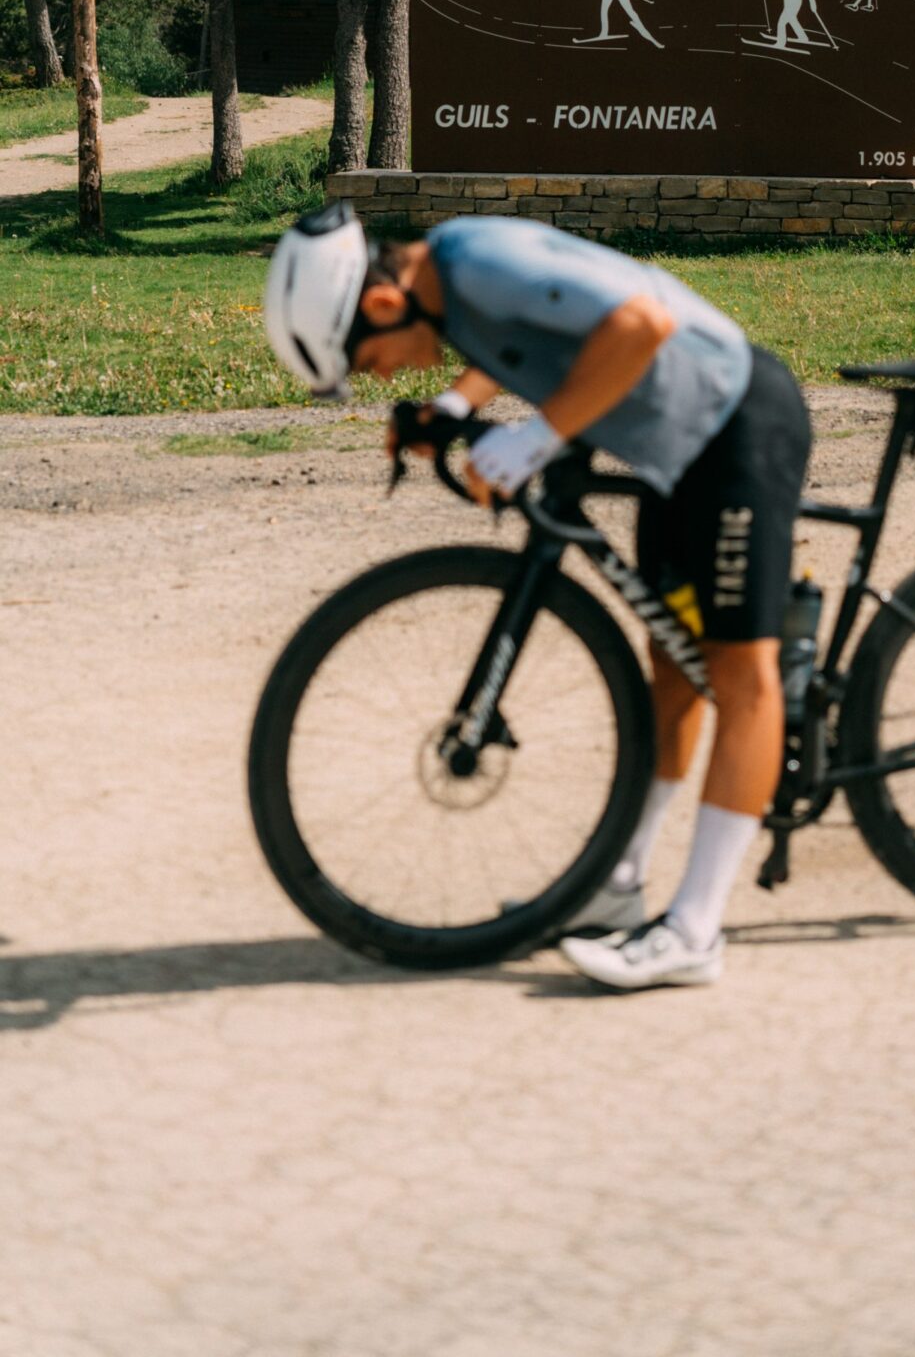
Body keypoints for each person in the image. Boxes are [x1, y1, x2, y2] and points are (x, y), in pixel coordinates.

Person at [264, 203, 811, 991]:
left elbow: (641, 323)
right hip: (676, 449)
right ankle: (617, 888)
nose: (381, 377)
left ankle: (695, 932)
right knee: (671, 665)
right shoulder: (450, 284)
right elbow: (531, 340)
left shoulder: (478, 261)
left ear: (382, 303)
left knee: (740, 675)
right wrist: (454, 408)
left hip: (734, 426)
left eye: (370, 361)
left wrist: (539, 435)